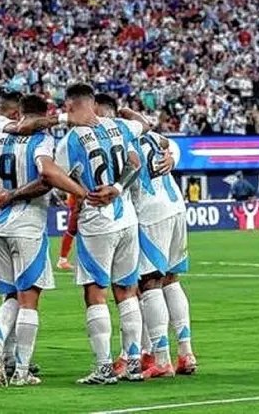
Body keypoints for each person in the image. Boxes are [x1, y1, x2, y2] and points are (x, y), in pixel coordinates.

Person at [0, 94, 90, 386]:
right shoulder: (43, 140)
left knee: (9, 294)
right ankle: (19, 369)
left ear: (18, 114)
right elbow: (47, 173)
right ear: (44, 114)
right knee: (29, 299)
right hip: (26, 225)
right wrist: (79, 192)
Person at [53, 83, 149, 385]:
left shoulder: (70, 139)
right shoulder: (118, 126)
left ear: (69, 106)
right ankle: (133, 363)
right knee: (127, 289)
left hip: (96, 219)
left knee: (95, 291)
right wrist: (118, 188)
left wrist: (78, 193)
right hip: (127, 217)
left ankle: (104, 367)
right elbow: (137, 163)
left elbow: (55, 179)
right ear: (93, 103)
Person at [100, 93, 192, 379]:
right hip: (176, 207)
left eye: (101, 116)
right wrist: (172, 157)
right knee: (170, 280)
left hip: (151, 215)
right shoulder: (148, 134)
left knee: (147, 284)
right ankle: (185, 352)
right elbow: (171, 144)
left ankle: (159, 359)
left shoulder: (116, 140)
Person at [56, 193, 79, 271]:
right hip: (78, 202)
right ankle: (62, 260)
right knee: (71, 230)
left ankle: (62, 260)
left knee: (72, 231)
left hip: (79, 202)